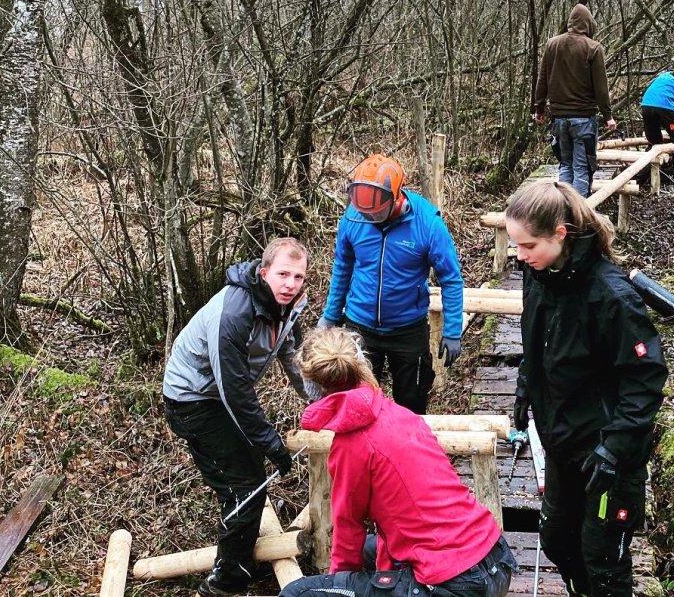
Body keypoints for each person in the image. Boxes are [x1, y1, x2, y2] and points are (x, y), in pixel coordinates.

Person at [504, 181, 668, 597]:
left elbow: (645, 379)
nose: (519, 256)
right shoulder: (538, 274)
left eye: (527, 246)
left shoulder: (612, 296)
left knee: (604, 561)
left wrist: (615, 448)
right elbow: (533, 341)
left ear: (560, 233)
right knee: (558, 541)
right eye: (515, 246)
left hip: (607, 454)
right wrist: (525, 388)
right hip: (561, 443)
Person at [279, 327, 517, 597]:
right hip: (494, 557)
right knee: (373, 548)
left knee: (296, 593)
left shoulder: (350, 445)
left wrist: (340, 586)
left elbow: (348, 529)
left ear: (313, 385)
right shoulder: (398, 413)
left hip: (455, 585)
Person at [163, 237, 313, 596]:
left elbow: (295, 359)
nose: (290, 284)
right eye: (282, 274)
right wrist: (270, 442)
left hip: (220, 397)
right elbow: (234, 390)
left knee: (247, 480)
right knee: (245, 488)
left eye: (297, 276)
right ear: (264, 273)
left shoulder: (290, 305)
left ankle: (236, 562)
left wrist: (319, 403)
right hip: (193, 400)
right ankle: (224, 584)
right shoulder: (234, 312)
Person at [318, 154, 464, 415]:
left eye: (376, 214)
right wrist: (330, 316)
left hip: (407, 328)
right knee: (357, 402)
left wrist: (452, 330)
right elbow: (342, 267)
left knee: (411, 402)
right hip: (360, 324)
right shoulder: (353, 218)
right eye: (365, 213)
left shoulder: (428, 224)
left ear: (396, 197)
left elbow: (451, 279)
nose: (370, 219)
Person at [533, 4, 617, 197]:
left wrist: (539, 109)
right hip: (584, 119)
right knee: (582, 168)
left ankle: (563, 212)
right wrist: (608, 115)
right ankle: (579, 218)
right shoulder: (593, 48)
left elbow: (542, 80)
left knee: (565, 166)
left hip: (559, 119)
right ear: (588, 24)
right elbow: (601, 87)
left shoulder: (552, 44)